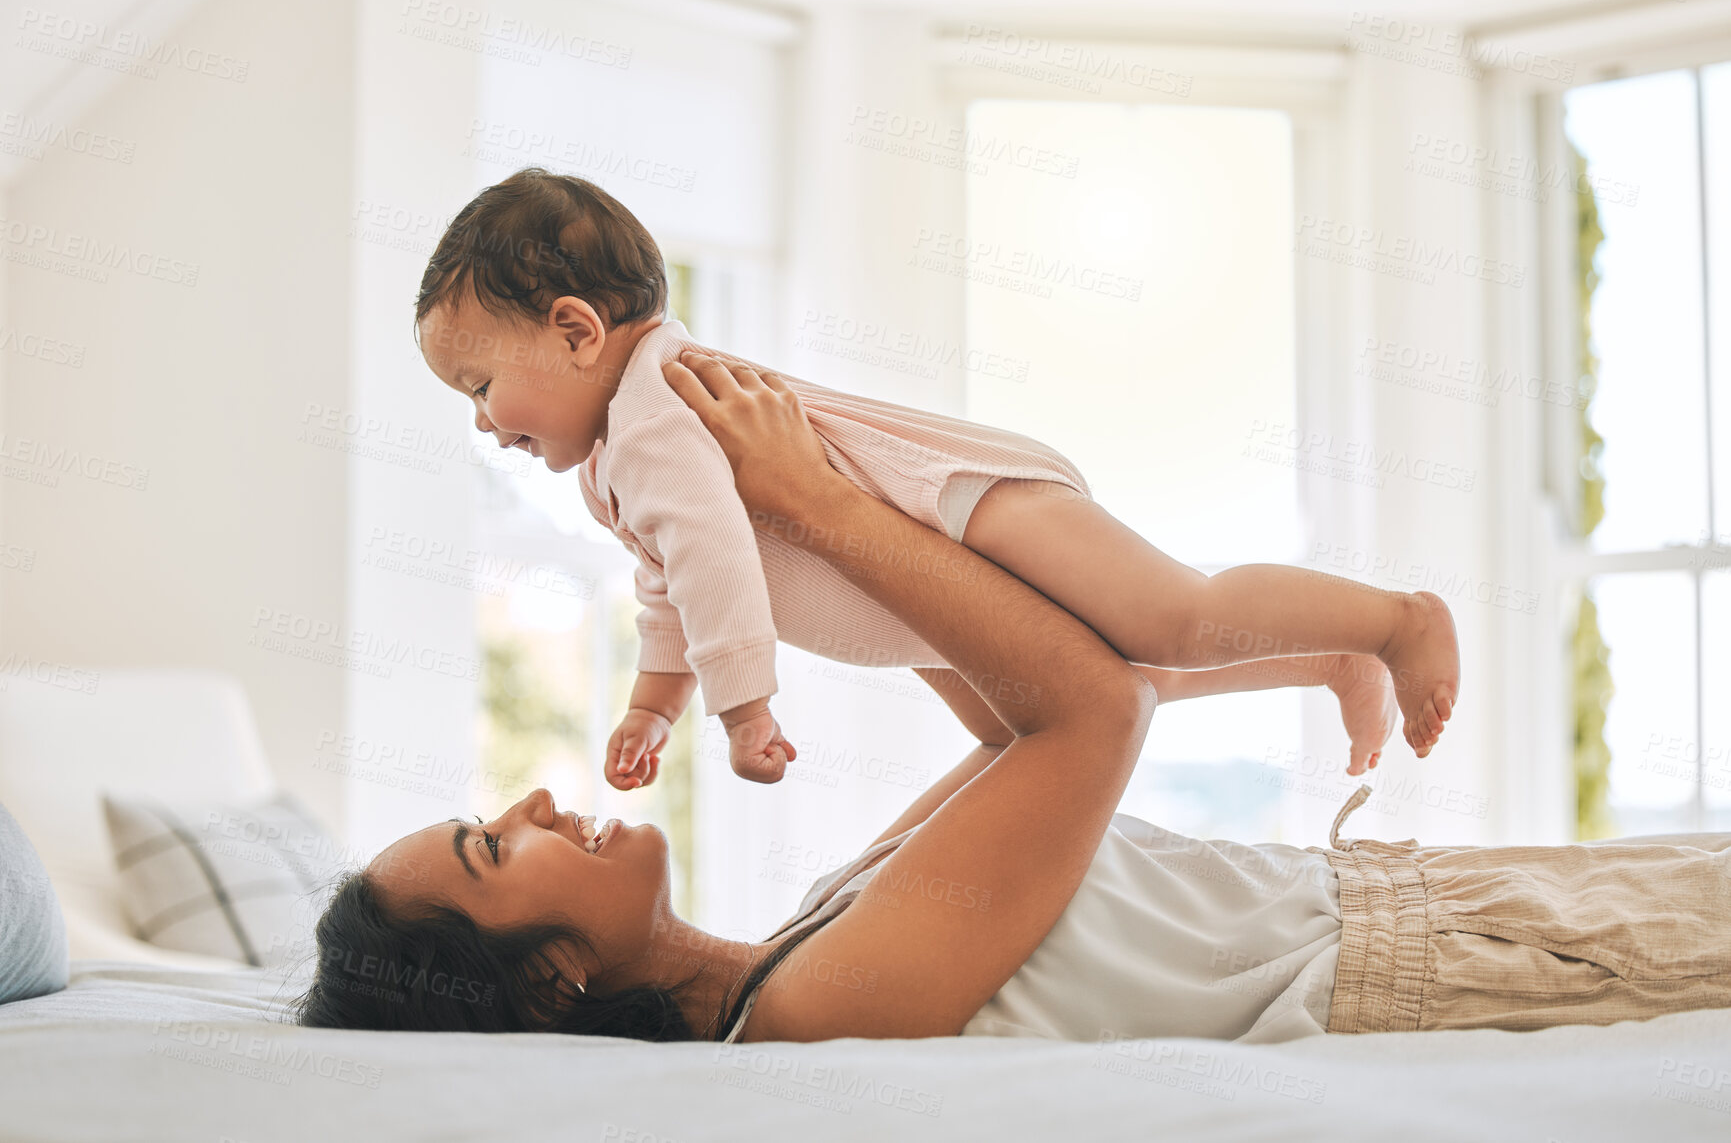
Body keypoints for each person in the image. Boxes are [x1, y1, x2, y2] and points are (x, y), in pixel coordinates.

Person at [293, 355, 1731, 1044]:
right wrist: (817, 507)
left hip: (1414, 905)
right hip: (1423, 965)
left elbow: (1013, 721)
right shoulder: (802, 1020)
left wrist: (809, 535)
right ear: (549, 979)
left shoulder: (805, 933)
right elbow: (1090, 714)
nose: (538, 796)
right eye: (498, 844)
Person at [412, 167, 1459, 789]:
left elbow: (714, 557)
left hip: (953, 503)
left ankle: (1394, 620)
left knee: (1170, 616)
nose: (480, 419)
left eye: (480, 382)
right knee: (1072, 700)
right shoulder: (614, 458)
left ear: (576, 330)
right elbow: (669, 582)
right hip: (916, 583)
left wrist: (742, 711)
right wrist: (653, 705)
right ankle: (1330, 659)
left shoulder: (656, 410)